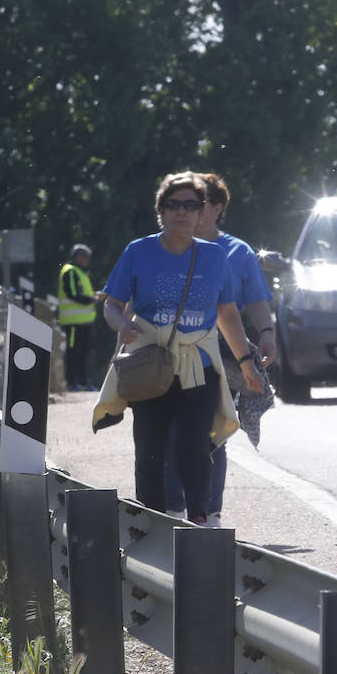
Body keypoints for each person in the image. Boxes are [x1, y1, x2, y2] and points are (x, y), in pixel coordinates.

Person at [95, 171, 263, 525]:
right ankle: (151, 522)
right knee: (151, 451)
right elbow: (111, 303)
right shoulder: (138, 251)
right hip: (151, 365)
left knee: (196, 446)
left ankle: (199, 518)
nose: (182, 212)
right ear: (161, 210)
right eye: (174, 205)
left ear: (203, 211)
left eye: (191, 205)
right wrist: (123, 323)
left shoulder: (215, 257)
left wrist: (247, 363)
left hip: (198, 365)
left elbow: (228, 314)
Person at [164, 172, 277, 526]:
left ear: (216, 208)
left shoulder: (238, 252)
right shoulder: (169, 246)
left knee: (215, 432)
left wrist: (267, 332)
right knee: (172, 432)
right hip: (177, 352)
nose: (191, 211)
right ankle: (173, 509)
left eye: (199, 204)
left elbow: (256, 300)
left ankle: (209, 513)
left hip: (225, 354)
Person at [58, 244, 98, 391]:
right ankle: (71, 382)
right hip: (72, 322)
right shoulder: (70, 272)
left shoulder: (80, 272)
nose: (88, 260)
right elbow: (72, 295)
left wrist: (93, 297)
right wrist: (91, 300)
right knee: (72, 352)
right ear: (79, 257)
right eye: (86, 257)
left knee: (82, 352)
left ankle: (82, 381)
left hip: (83, 322)